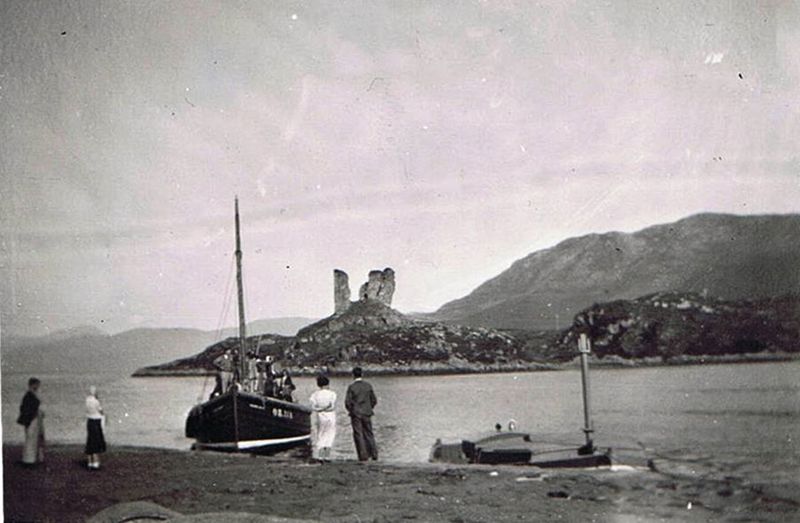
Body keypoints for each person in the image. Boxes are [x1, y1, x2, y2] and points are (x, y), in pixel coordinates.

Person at [345, 367, 378, 461]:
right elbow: (374, 400)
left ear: (353, 375)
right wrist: (369, 408)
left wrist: (351, 410)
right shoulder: (368, 385)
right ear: (362, 374)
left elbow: (348, 402)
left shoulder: (352, 387)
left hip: (356, 413)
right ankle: (374, 454)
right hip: (367, 412)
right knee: (369, 433)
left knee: (358, 434)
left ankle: (363, 455)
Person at [17, 377, 45, 466]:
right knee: (31, 439)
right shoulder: (29, 396)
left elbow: (23, 408)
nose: (38, 386)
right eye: (37, 385)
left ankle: (30, 458)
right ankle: (29, 460)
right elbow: (27, 409)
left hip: (31, 419)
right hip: (32, 419)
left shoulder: (30, 395)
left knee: (32, 439)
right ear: (33, 385)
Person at [309, 375, 337, 462]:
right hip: (330, 415)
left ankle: (320, 456)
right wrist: (326, 408)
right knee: (330, 434)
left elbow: (314, 407)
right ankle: (327, 456)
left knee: (321, 434)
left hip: (320, 415)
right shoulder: (332, 394)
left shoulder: (315, 395)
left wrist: (320, 409)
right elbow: (332, 407)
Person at [85, 386, 107, 470]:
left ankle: (90, 462)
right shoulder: (96, 401)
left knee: (90, 440)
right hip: (96, 420)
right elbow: (101, 411)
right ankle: (95, 462)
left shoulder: (87, 400)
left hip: (89, 420)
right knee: (96, 441)